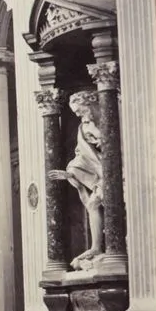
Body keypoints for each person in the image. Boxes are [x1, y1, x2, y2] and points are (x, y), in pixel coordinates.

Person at [48, 90, 104, 270]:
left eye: (80, 111)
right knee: (92, 204)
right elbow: (83, 156)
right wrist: (71, 174)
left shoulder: (109, 115)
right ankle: (96, 247)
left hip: (118, 167)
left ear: (91, 102)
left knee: (95, 203)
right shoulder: (83, 128)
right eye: (76, 113)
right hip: (101, 170)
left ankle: (103, 248)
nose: (79, 115)